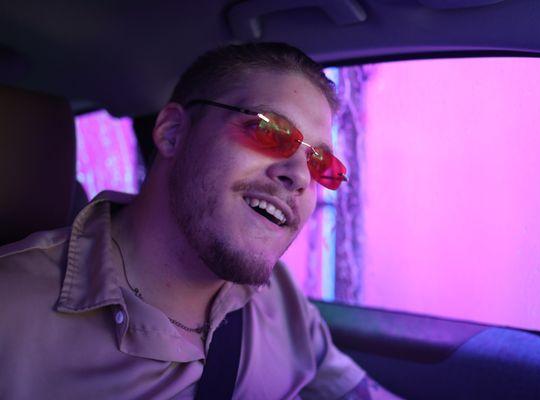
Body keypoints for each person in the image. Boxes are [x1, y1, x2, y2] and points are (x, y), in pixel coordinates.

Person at [0, 42, 401, 399]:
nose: (299, 176)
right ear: (173, 133)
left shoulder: (277, 295)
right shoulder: (12, 312)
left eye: (320, 164)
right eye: (270, 131)